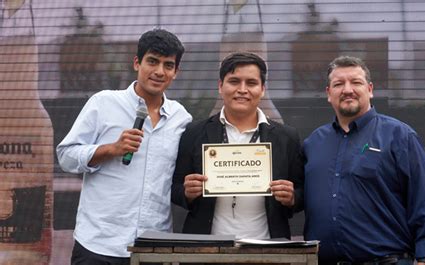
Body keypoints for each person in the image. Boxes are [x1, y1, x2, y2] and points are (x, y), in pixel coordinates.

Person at [56, 28, 192, 265]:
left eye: (168, 65)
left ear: (176, 72)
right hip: (99, 245)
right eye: (152, 61)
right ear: (137, 63)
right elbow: (65, 156)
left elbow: (178, 179)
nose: (159, 72)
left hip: (153, 246)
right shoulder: (103, 103)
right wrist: (110, 149)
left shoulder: (181, 118)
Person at [303, 56, 425, 265]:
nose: (347, 89)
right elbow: (300, 196)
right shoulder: (314, 142)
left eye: (356, 82)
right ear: (328, 93)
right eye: (338, 84)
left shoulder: (399, 136)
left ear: (370, 89)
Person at [171, 52, 304, 239]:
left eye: (251, 83)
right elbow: (175, 188)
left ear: (263, 89)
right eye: (234, 81)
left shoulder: (286, 137)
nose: (242, 89)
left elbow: (302, 193)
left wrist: (292, 198)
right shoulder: (194, 132)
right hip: (206, 249)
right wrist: (187, 192)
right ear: (220, 86)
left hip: (268, 247)